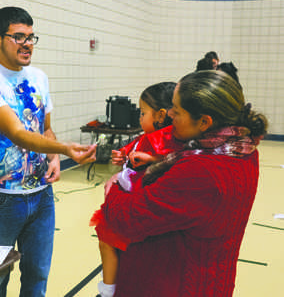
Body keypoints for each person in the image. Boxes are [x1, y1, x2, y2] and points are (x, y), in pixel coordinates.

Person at [101, 70, 267, 296]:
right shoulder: (241, 151)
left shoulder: (202, 171)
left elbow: (128, 219)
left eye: (176, 111)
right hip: (209, 279)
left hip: (172, 284)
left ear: (204, 121)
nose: (169, 115)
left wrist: (113, 189)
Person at [0, 6, 96, 297]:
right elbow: (18, 134)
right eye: (19, 37)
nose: (27, 43)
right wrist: (64, 149)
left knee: (37, 277)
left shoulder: (39, 77)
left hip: (41, 196)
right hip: (2, 200)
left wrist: (54, 158)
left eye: (31, 37)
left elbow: (44, 128)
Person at [90, 81, 182, 297]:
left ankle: (108, 289)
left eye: (142, 113)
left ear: (160, 115)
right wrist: (121, 155)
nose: (139, 118)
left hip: (135, 204)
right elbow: (133, 150)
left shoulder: (166, 138)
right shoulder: (148, 137)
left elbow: (175, 157)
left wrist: (150, 158)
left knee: (107, 240)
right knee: (108, 241)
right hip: (128, 199)